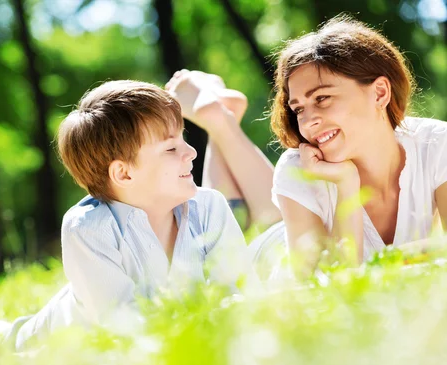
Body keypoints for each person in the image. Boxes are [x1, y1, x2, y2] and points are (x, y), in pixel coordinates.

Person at [0, 80, 260, 358]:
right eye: (170, 149)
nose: (191, 152)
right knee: (12, 341)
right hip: (68, 335)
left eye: (183, 140)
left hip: (177, 332)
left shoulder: (210, 208)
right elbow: (125, 327)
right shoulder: (88, 229)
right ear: (123, 173)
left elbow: (238, 290)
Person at [166, 16, 447, 277]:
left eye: (322, 98)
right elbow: (333, 288)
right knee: (235, 232)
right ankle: (218, 122)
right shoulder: (298, 166)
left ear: (380, 93)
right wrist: (346, 183)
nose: (309, 121)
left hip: (292, 227)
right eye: (298, 108)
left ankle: (220, 119)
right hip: (272, 262)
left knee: (270, 216)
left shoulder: (436, 144)